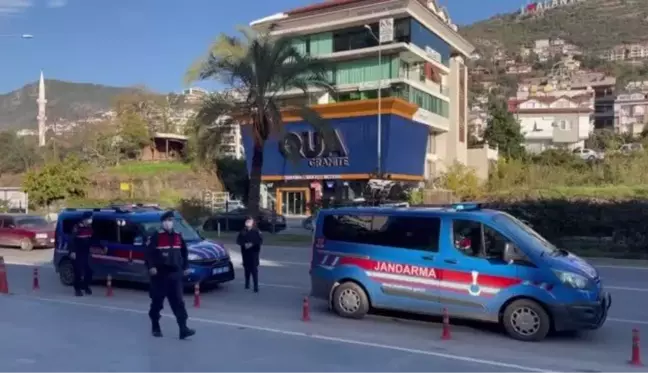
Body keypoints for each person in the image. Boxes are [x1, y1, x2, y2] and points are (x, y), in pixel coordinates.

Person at [145, 210, 196, 339]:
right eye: (166, 221)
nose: (169, 223)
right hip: (160, 275)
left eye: (171, 221)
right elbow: (149, 254)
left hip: (175, 274)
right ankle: (155, 326)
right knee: (157, 302)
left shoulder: (178, 236)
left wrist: (185, 267)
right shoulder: (156, 236)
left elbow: (184, 253)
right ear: (162, 223)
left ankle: (183, 328)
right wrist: (151, 267)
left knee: (179, 302)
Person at [70, 211, 94, 297]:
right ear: (84, 219)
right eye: (89, 218)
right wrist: (73, 251)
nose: (91, 220)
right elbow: (72, 240)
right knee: (78, 272)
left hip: (85, 252)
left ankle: (85, 286)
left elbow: (92, 239)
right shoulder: (77, 227)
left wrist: (101, 247)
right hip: (77, 252)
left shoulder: (89, 227)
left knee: (89, 271)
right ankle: (77, 289)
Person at [236, 217, 263, 293]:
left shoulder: (256, 231)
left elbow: (260, 240)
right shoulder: (243, 231)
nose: (248, 223)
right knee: (246, 269)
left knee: (254, 270)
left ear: (252, 223)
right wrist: (244, 244)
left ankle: (256, 286)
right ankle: (247, 283)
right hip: (245, 253)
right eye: (247, 221)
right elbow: (238, 240)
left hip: (254, 253)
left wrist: (252, 244)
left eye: (249, 222)